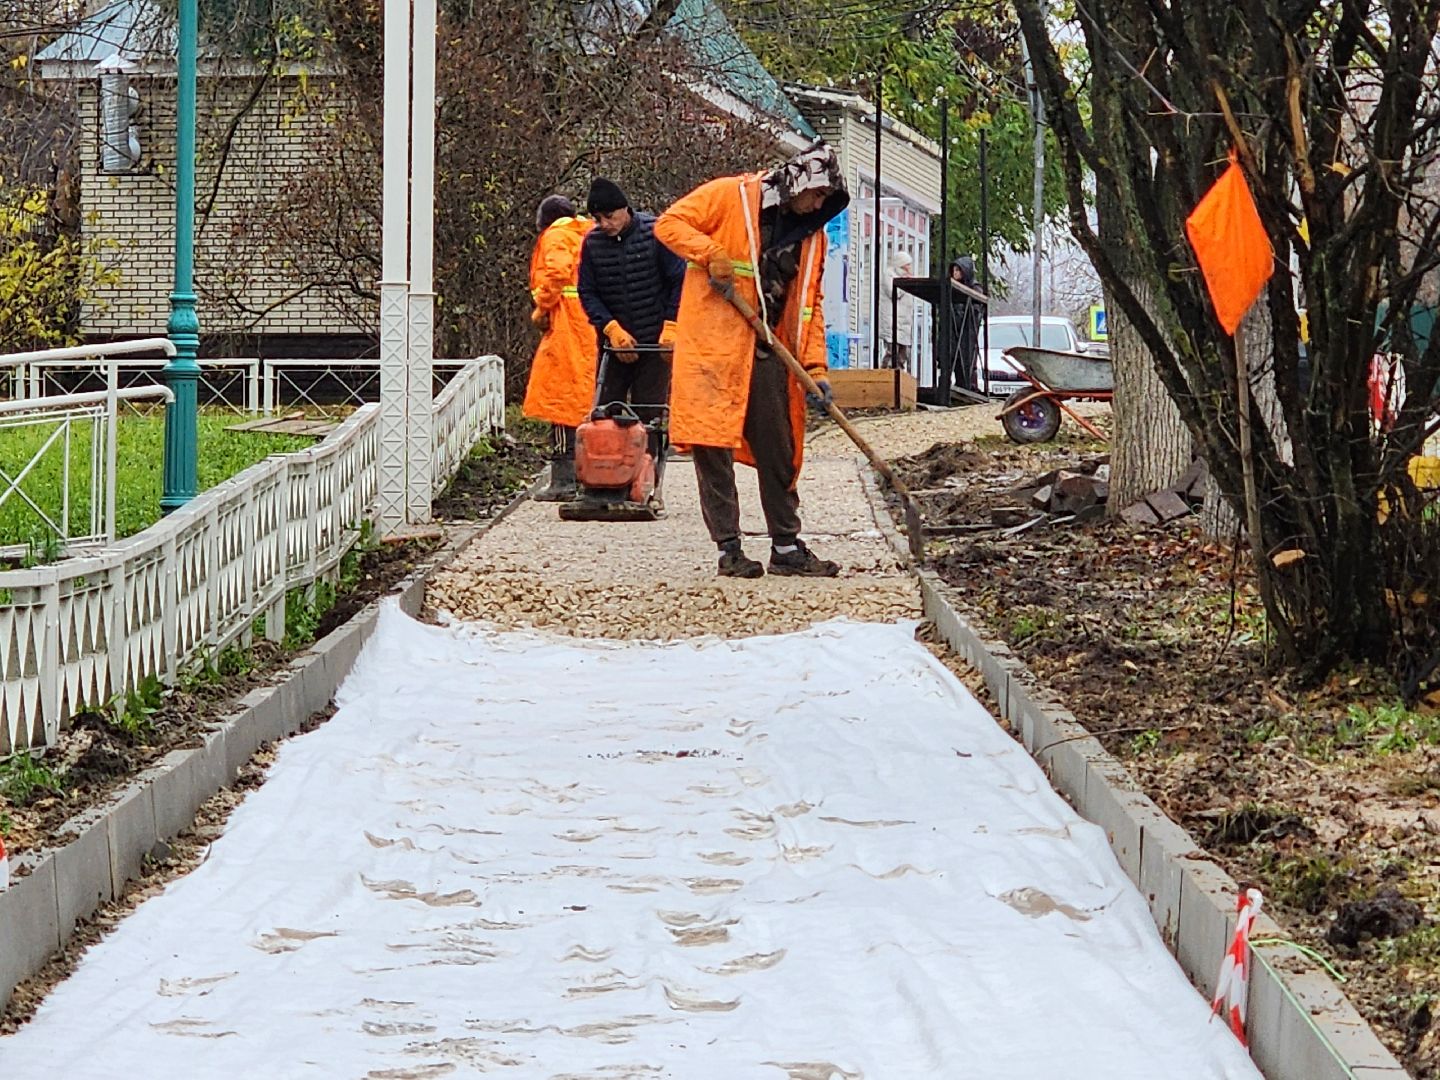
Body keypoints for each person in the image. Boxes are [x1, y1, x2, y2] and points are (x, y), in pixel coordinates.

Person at [655, 142, 850, 579]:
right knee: (712, 445)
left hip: (766, 346)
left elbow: (809, 308)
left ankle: (785, 545)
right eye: (818, 195)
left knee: (778, 443)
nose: (819, 205)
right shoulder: (730, 196)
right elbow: (670, 224)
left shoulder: (811, 236)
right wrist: (710, 254)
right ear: (800, 181)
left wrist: (815, 369)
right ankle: (729, 549)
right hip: (714, 342)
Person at [577, 178, 686, 450]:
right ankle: (607, 470)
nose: (604, 224)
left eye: (609, 216)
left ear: (625, 209)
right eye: (597, 218)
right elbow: (587, 291)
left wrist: (671, 325)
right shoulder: (592, 244)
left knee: (649, 412)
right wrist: (610, 328)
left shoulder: (656, 233)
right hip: (614, 343)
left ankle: (647, 469)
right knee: (606, 412)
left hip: (655, 340)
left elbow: (679, 281)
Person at [522, 195, 597, 501]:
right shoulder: (588, 234)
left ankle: (563, 479)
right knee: (585, 396)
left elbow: (556, 272)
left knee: (560, 398)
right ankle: (589, 474)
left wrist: (542, 305)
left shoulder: (556, 236)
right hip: (589, 323)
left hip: (566, 323)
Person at [950, 255, 983, 393]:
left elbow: (976, 310)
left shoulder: (975, 288)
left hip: (967, 333)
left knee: (967, 361)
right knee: (953, 359)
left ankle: (968, 388)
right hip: (953, 331)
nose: (955, 273)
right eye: (954, 270)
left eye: (958, 270)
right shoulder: (951, 287)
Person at [878, 250, 915, 370]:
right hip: (892, 320)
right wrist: (906, 282)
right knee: (892, 352)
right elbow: (894, 293)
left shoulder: (905, 277)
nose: (910, 267)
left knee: (902, 355)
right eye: (908, 264)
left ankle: (899, 377)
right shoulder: (889, 274)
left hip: (903, 323)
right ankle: (885, 376)